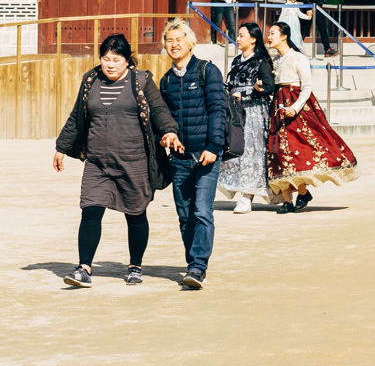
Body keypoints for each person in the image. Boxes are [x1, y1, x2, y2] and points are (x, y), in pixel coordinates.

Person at [52, 32, 179, 288]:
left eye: (116, 59)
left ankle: (135, 266)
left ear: (128, 61)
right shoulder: (91, 80)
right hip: (98, 163)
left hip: (134, 162)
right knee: (90, 211)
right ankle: (84, 268)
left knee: (135, 214)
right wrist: (61, 147)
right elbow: (77, 115)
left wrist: (169, 132)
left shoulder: (141, 81)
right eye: (106, 58)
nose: (110, 64)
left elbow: (160, 111)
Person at [157, 19, 226, 289]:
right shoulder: (166, 81)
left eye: (179, 39)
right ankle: (193, 264)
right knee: (184, 214)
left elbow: (218, 111)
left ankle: (198, 266)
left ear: (190, 43)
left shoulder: (207, 71)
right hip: (179, 158)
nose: (174, 44)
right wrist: (166, 134)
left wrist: (213, 147)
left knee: (202, 211)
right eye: (169, 40)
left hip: (206, 155)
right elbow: (164, 118)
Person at [263, 21, 358, 209]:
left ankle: (302, 194)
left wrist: (296, 108)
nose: (269, 37)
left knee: (297, 151)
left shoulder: (298, 58)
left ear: (284, 36)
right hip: (278, 107)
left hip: (297, 109)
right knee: (279, 152)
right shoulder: (274, 61)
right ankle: (289, 200)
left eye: (273, 33)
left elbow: (306, 88)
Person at [218, 21, 278, 213]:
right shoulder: (237, 61)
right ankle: (235, 188)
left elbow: (268, 88)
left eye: (242, 35)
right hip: (236, 111)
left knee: (252, 152)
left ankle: (247, 195)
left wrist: (246, 94)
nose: (238, 38)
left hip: (253, 113)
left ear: (253, 39)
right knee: (234, 148)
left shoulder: (261, 61)